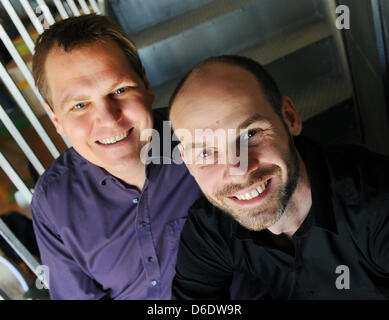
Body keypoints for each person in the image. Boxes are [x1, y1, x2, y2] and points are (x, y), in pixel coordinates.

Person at [169, 55, 389, 299]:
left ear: (290, 118)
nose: (239, 170)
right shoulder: (209, 228)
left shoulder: (376, 201)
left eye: (250, 134)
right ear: (188, 162)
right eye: (206, 152)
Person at [30, 14, 203, 299]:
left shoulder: (200, 139)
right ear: (55, 119)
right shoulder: (52, 202)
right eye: (80, 105)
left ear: (145, 84)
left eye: (119, 90)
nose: (108, 119)